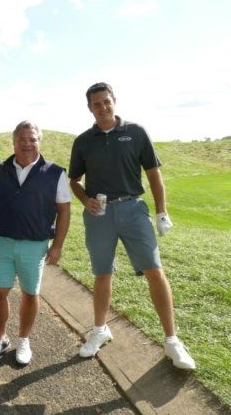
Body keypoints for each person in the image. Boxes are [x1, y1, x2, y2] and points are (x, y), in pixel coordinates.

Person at [68, 82, 196, 370]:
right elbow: (74, 181)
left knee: (154, 270)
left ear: (114, 101)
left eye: (106, 102)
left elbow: (153, 174)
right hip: (99, 214)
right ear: (89, 108)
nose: (102, 108)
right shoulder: (83, 141)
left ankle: (172, 341)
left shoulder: (136, 132)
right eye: (96, 104)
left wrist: (162, 212)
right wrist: (85, 199)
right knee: (102, 273)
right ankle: (100, 331)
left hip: (133, 209)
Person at [0, 120, 71, 365]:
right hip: (3, 241)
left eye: (32, 139)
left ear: (39, 141)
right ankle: (0, 337)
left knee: (30, 293)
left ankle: (24, 339)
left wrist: (57, 245)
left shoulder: (55, 172)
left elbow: (64, 211)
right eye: (22, 139)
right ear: (14, 142)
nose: (27, 144)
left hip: (34, 244)